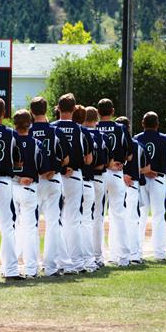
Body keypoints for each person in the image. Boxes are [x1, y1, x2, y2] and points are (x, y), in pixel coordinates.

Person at [29, 96, 72, 276]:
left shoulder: (27, 130)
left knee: (31, 224)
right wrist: (54, 168)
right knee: (53, 224)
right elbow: (66, 158)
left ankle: (31, 267)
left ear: (31, 112)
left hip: (33, 182)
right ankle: (51, 267)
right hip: (53, 180)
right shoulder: (55, 131)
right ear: (46, 111)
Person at [52, 93, 93, 273]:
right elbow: (89, 159)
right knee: (73, 220)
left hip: (54, 176)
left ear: (58, 108)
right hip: (75, 176)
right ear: (74, 108)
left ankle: (59, 261)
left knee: (56, 220)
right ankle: (76, 262)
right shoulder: (81, 130)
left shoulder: (51, 128)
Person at [0, 97, 24, 280]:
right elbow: (18, 160)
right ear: (4, 113)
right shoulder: (10, 133)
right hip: (3, 183)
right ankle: (10, 270)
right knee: (8, 227)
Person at [12, 109, 52, 278]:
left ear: (15, 124)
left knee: (11, 228)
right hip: (29, 188)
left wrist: (17, 176)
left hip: (11, 187)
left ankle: (10, 267)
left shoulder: (10, 140)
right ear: (30, 124)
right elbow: (45, 171)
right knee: (30, 229)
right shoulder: (36, 143)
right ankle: (30, 268)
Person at [134, 111, 166, 262]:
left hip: (140, 180)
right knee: (159, 217)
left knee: (140, 217)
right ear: (157, 124)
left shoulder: (136, 138)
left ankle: (136, 253)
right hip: (158, 179)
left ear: (142, 124)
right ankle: (159, 255)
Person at [96, 98, 133, 267]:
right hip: (117, 173)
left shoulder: (93, 127)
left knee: (97, 216)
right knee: (119, 216)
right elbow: (130, 154)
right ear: (112, 111)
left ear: (98, 112)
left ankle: (98, 257)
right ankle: (123, 257)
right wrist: (121, 160)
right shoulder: (121, 128)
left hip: (100, 173)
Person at [115, 116, 151, 264]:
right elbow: (147, 168)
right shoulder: (137, 145)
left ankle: (115, 254)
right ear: (128, 127)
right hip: (132, 185)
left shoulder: (114, 144)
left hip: (116, 185)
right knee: (132, 221)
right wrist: (136, 171)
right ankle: (134, 255)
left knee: (116, 220)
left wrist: (122, 174)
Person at [72, 105, 99, 272]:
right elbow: (89, 160)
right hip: (85, 181)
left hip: (64, 179)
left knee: (66, 222)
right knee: (85, 222)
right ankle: (88, 260)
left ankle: (67, 259)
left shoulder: (57, 129)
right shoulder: (86, 134)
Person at [84, 107, 111, 268]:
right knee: (97, 218)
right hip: (99, 179)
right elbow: (104, 161)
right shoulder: (102, 136)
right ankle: (97, 256)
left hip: (83, 179)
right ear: (97, 120)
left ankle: (81, 256)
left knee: (80, 219)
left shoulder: (80, 133)